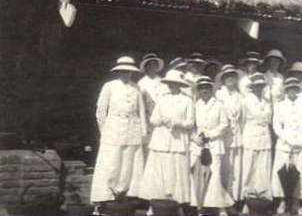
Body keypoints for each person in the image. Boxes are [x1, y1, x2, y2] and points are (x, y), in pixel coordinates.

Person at [90, 56, 147, 207]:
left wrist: (143, 132)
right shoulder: (109, 86)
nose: (126, 74)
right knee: (112, 161)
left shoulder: (136, 88)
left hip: (132, 127)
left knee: (128, 161)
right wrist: (104, 130)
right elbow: (101, 111)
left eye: (128, 72)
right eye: (123, 71)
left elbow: (141, 111)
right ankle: (106, 193)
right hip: (113, 127)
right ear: (118, 72)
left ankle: (124, 192)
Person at [138, 69, 194, 209]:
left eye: (175, 84)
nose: (172, 86)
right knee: (159, 171)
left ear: (179, 85)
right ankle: (155, 204)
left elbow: (191, 122)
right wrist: (162, 120)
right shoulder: (162, 98)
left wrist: (177, 123)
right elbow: (153, 119)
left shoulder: (187, 100)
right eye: (170, 83)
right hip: (161, 140)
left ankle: (177, 204)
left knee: (177, 171)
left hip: (178, 140)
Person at [190, 76, 234, 216]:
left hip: (215, 144)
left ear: (211, 89)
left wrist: (212, 135)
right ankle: (200, 207)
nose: (204, 91)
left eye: (207, 88)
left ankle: (220, 208)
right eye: (201, 89)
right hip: (199, 145)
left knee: (214, 175)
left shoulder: (219, 105)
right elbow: (191, 126)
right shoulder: (194, 105)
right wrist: (195, 138)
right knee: (199, 175)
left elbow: (225, 124)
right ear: (198, 91)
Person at [271, 77, 302, 216]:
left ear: (298, 90)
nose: (292, 91)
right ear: (286, 91)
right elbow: (276, 125)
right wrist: (286, 138)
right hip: (285, 143)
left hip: (301, 142)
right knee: (282, 171)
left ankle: (297, 203)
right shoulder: (280, 105)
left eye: (294, 88)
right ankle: (283, 201)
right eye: (289, 89)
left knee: (300, 172)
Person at [241, 72, 273, 203]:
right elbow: (247, 119)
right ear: (252, 87)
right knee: (250, 167)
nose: (259, 88)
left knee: (263, 166)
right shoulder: (247, 100)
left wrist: (263, 118)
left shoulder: (267, 101)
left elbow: (269, 118)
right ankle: (247, 198)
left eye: (261, 86)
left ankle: (263, 197)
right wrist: (262, 118)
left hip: (264, 136)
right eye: (256, 86)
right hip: (251, 135)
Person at [216, 64, 244, 205]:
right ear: (223, 79)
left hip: (236, 135)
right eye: (228, 77)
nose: (231, 79)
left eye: (233, 76)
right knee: (223, 166)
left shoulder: (240, 96)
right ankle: (221, 198)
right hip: (223, 135)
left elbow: (243, 118)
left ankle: (233, 198)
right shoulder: (219, 94)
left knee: (235, 167)